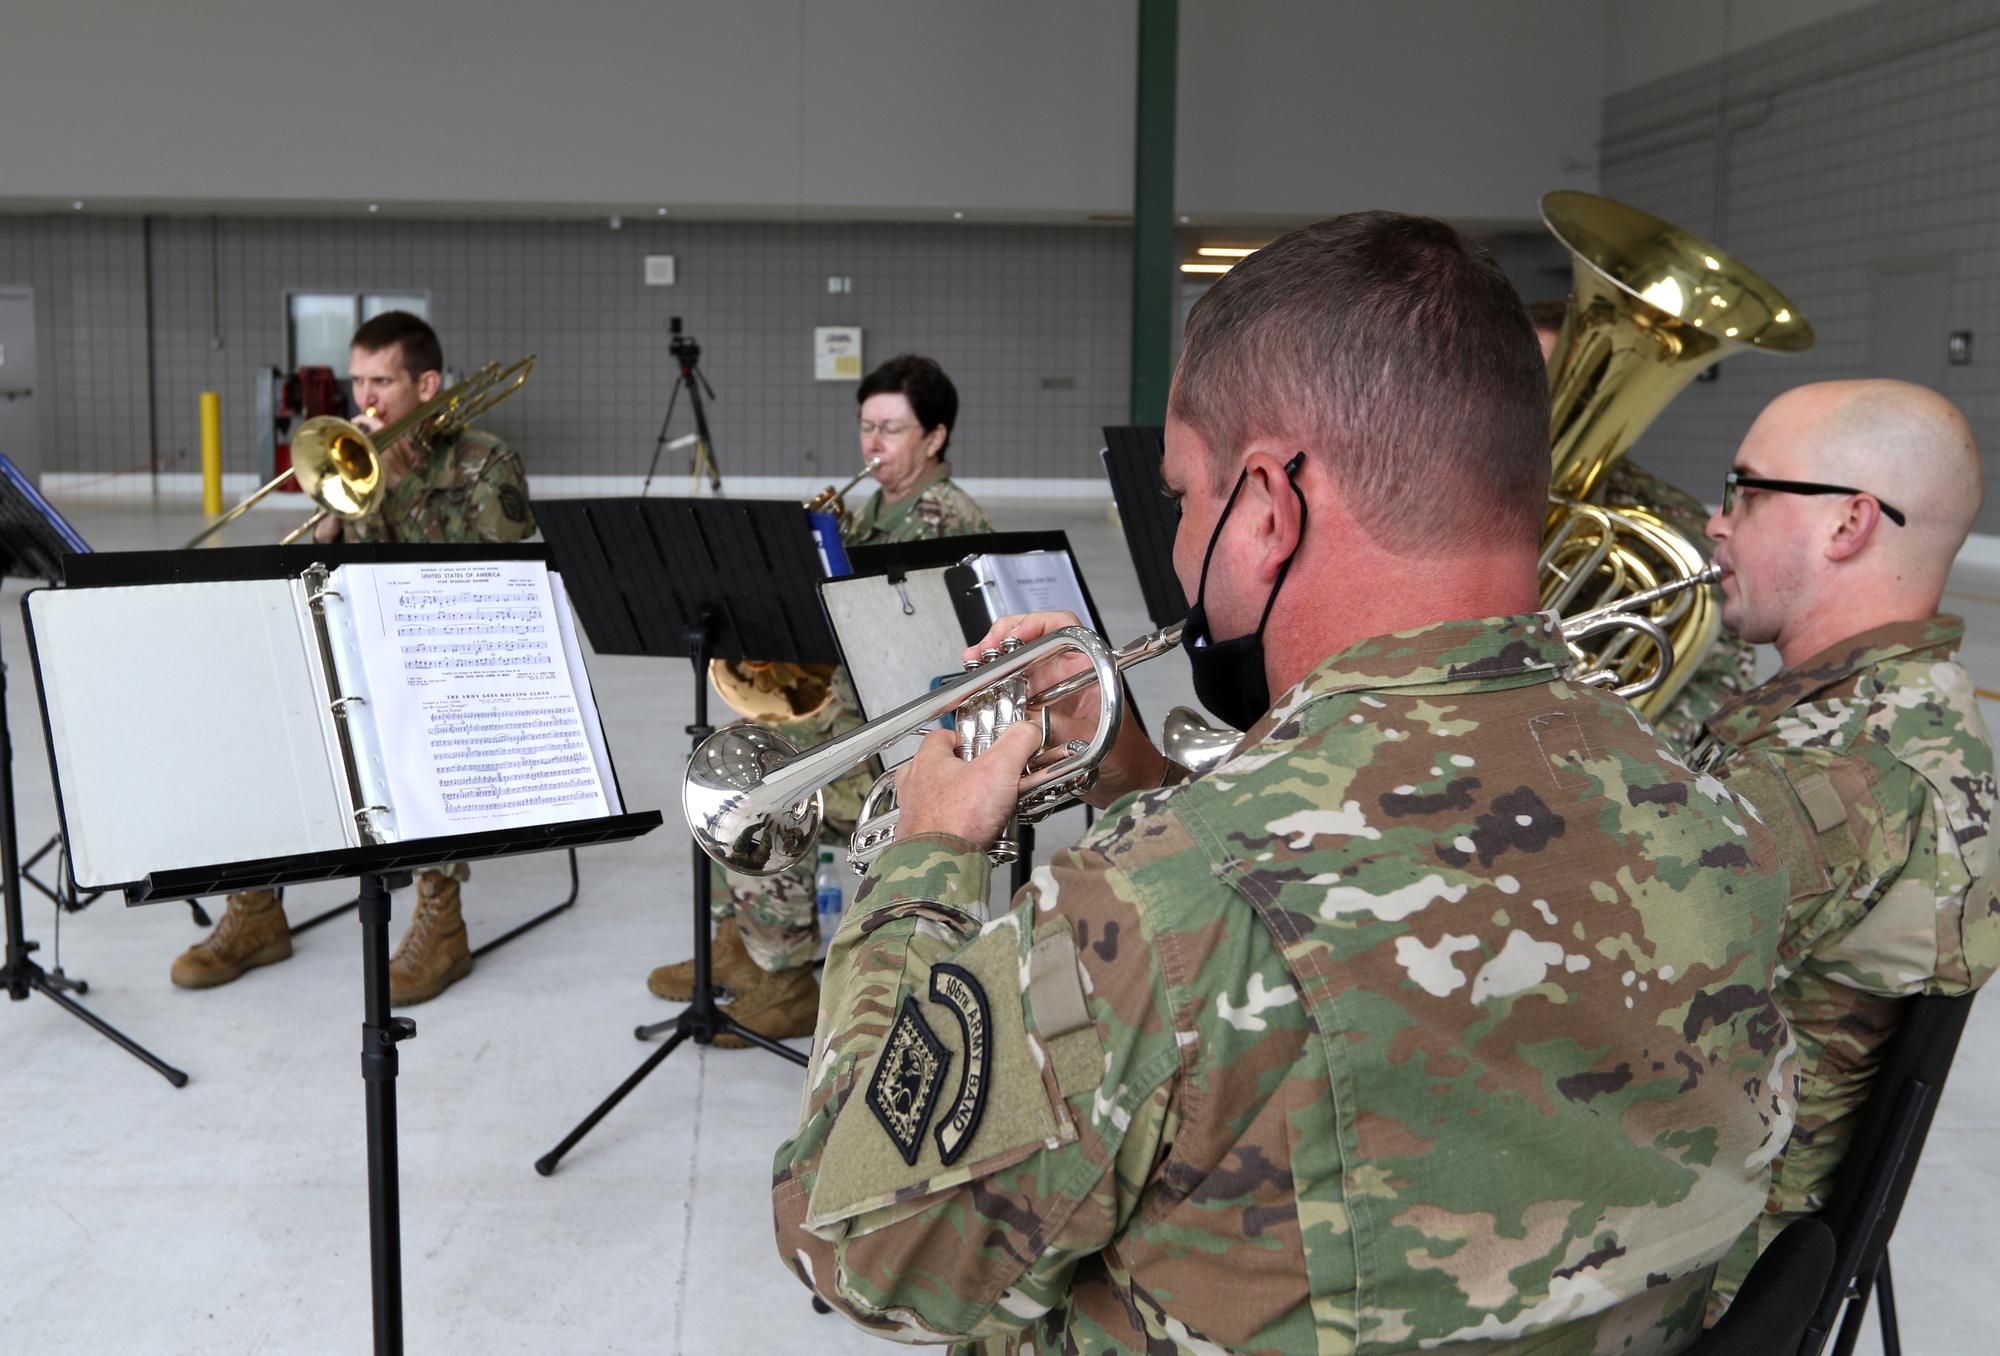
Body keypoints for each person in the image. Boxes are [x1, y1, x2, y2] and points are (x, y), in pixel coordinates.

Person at [772, 214, 1796, 1354]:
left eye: (1182, 500)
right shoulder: (1727, 819)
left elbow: (856, 1244)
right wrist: (1143, 784)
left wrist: (924, 861)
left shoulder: (1149, 914)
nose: (1175, 550)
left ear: (1266, 507)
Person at [1691, 379, 1998, 1310]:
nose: (1715, 522)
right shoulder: (1914, 712)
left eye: (1745, 490)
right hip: (1740, 1226)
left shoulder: (1834, 772)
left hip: (1685, 1270)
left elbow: (1576, 978)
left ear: (1848, 525)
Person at [171, 311, 537, 1005]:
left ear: (427, 384)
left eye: (382, 381)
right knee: (255, 706)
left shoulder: (485, 463)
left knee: (423, 717)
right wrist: (335, 514)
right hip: (362, 635)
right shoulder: (352, 454)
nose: (365, 400)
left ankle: (443, 919)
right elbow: (328, 562)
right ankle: (256, 909)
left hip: (451, 658)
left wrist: (396, 492)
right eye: (356, 381)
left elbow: (499, 590)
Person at [647, 354, 993, 1046]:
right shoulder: (876, 505)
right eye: (867, 427)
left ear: (935, 438)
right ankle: (740, 945)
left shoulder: (942, 517)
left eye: (892, 430)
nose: (873, 445)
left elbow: (928, 658)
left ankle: (785, 976)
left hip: (910, 736)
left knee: (769, 790)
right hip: (858, 711)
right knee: (731, 762)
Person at [1527, 298, 1757, 751]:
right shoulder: (1440, 494)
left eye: (1555, 385)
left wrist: (1614, 753)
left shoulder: (1674, 525)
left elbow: (1721, 680)